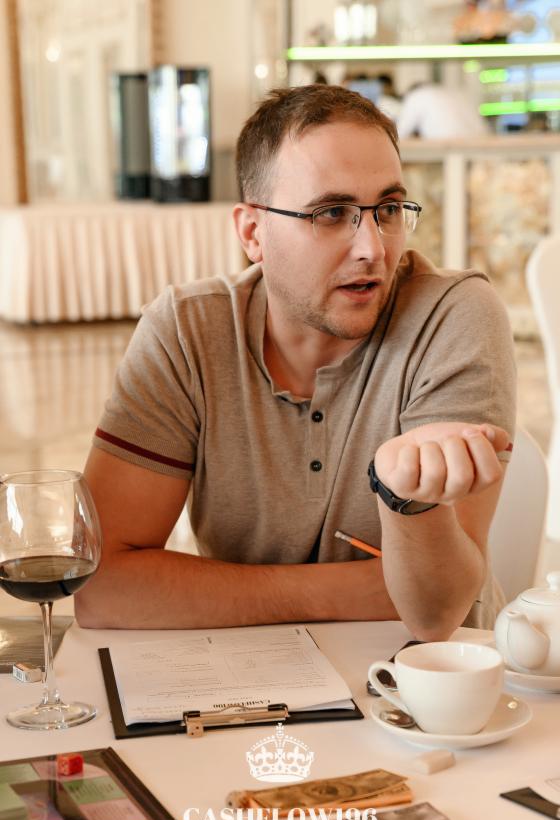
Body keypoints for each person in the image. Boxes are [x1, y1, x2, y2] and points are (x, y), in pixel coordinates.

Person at [75, 84, 515, 637]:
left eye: (387, 209)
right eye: (331, 213)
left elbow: (436, 612)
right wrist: (364, 588)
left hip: (419, 679)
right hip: (242, 676)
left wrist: (404, 502)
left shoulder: (453, 315)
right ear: (252, 232)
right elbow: (101, 587)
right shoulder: (187, 332)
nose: (373, 248)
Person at [397, 82, 488, 140]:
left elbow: (400, 134)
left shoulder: (415, 96)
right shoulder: (452, 92)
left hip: (447, 147)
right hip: (480, 143)